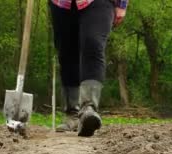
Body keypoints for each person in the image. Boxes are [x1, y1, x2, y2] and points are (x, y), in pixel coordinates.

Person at [50, 0, 128, 137]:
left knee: (93, 42)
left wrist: (122, 4)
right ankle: (72, 114)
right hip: (62, 4)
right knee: (66, 53)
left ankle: (88, 108)